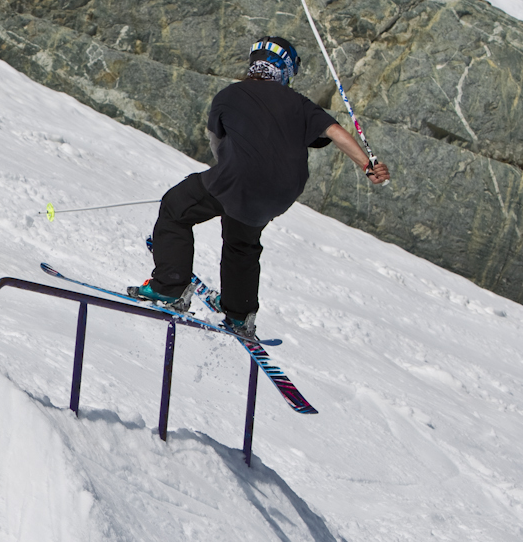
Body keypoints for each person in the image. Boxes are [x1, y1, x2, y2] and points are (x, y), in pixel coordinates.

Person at [128, 36, 390, 339]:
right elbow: (334, 131)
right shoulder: (300, 104)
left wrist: (228, 170)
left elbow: (218, 141)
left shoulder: (230, 95)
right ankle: (239, 314)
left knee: (177, 207)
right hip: (282, 193)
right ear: (286, 70)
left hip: (237, 179)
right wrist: (367, 165)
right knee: (243, 242)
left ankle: (169, 287)